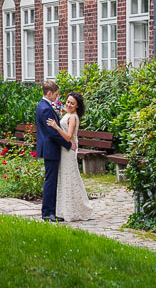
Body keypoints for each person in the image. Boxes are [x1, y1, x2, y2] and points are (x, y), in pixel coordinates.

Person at [46, 92, 95, 221]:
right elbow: (61, 109)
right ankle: (63, 209)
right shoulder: (68, 113)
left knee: (69, 178)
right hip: (63, 150)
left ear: (77, 106)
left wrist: (56, 127)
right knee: (64, 178)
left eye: (72, 103)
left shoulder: (73, 117)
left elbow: (68, 137)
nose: (69, 104)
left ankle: (74, 209)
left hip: (68, 151)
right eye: (68, 101)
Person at [35, 80, 74, 222]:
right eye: (56, 95)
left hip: (49, 147)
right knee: (50, 181)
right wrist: (68, 144)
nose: (57, 98)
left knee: (51, 179)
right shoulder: (45, 108)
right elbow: (52, 133)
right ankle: (47, 212)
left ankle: (51, 210)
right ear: (49, 93)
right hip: (50, 148)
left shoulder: (43, 105)